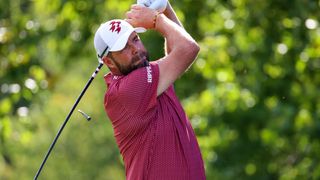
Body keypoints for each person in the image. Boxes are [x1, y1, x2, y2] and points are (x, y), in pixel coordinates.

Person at [94, 1, 205, 179]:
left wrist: (165, 7)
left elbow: (176, 51)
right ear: (108, 62)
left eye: (135, 39)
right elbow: (188, 48)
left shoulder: (148, 77)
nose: (136, 49)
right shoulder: (127, 90)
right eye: (124, 48)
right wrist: (156, 19)